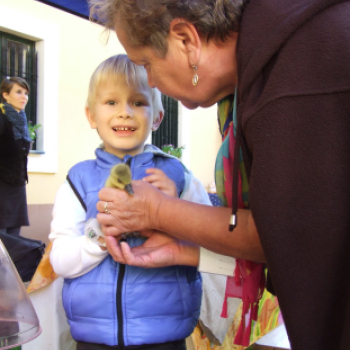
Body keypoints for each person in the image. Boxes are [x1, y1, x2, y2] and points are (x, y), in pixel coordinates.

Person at [87, 0, 350, 349]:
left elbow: (289, 234)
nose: (149, 80)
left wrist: (158, 211)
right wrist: (186, 251)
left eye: (146, 63)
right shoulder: (263, 75)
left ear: (185, 40)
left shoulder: (296, 75)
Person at [49, 54, 213, 350]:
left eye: (138, 102)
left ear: (157, 117)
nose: (124, 112)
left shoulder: (179, 176)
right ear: (91, 115)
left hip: (166, 335)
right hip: (94, 338)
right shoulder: (78, 180)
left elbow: (215, 246)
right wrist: (101, 231)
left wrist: (174, 210)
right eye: (111, 102)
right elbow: (59, 261)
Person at [0, 77, 31, 237]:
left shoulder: (20, 120)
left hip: (17, 185)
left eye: (25, 93)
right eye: (18, 92)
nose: (23, 97)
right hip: (2, 186)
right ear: (5, 95)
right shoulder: (2, 118)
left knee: (14, 238)